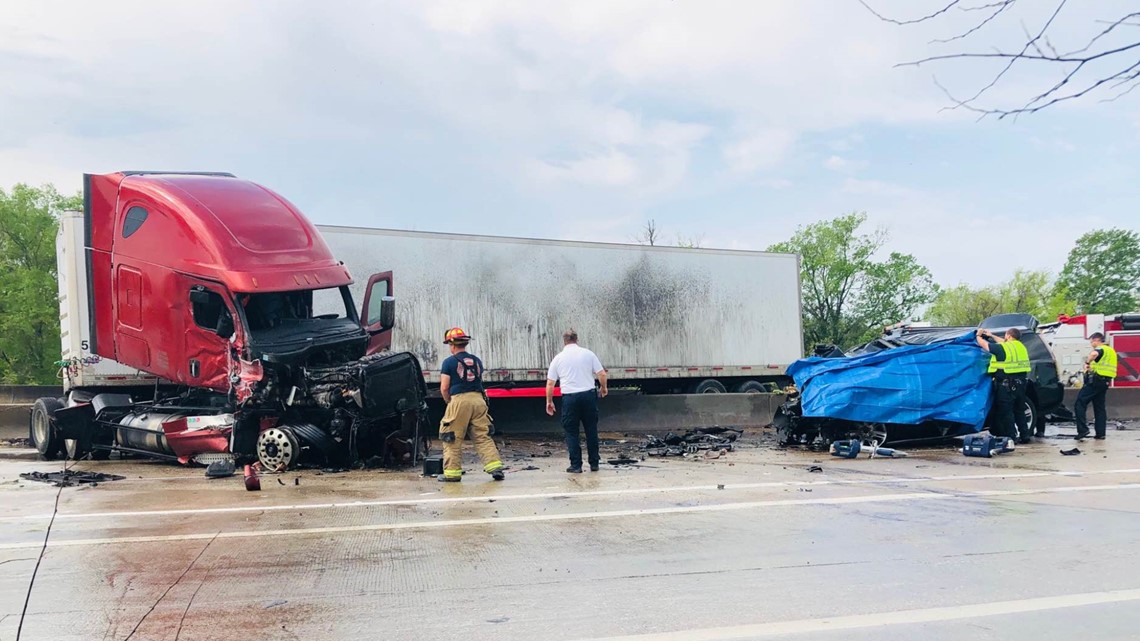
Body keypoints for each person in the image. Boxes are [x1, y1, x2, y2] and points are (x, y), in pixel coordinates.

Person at [437, 327, 504, 482]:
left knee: (451, 436)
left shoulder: (448, 362)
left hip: (460, 400)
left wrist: (449, 401)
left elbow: (445, 387)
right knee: (482, 435)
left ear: (452, 345)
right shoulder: (476, 360)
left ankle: (452, 474)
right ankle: (495, 468)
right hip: (479, 400)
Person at [545, 329, 607, 473]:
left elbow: (550, 383)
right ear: (577, 339)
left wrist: (549, 401)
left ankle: (576, 465)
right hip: (588, 396)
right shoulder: (588, 354)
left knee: (571, 432)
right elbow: (602, 373)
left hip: (570, 398)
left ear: (564, 341)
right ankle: (594, 463)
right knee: (591, 429)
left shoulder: (558, 358)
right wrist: (603, 388)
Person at [976, 327, 1033, 444]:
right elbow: (1003, 343)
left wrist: (978, 335)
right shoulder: (1021, 347)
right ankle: (1025, 435)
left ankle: (1012, 436)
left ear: (1008, 336)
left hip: (1006, 385)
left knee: (1007, 412)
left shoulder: (1004, 348)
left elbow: (984, 345)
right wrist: (991, 335)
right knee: (1019, 410)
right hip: (1021, 384)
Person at [1073, 332, 1117, 440]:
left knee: (1080, 403)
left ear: (1096, 340)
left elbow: (1094, 355)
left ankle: (1083, 430)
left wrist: (1087, 362)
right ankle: (1100, 433)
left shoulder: (1101, 348)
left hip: (1095, 381)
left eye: (1092, 341)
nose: (1091, 344)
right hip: (1105, 382)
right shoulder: (1111, 351)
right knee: (1099, 407)